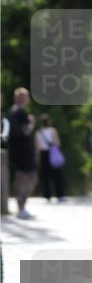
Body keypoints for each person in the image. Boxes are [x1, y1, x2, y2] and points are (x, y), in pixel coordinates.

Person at [7, 88, 37, 219]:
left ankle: (20, 207)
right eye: (26, 97)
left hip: (14, 150)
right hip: (24, 151)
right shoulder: (21, 113)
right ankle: (21, 206)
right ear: (21, 98)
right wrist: (32, 122)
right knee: (31, 177)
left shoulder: (10, 111)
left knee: (19, 177)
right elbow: (26, 131)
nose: (28, 100)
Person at [35, 114, 67, 203]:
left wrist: (37, 158)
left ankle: (47, 196)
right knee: (57, 175)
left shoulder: (38, 132)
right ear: (48, 121)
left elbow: (37, 148)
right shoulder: (53, 130)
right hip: (52, 154)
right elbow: (57, 143)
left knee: (45, 176)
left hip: (43, 155)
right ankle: (60, 195)